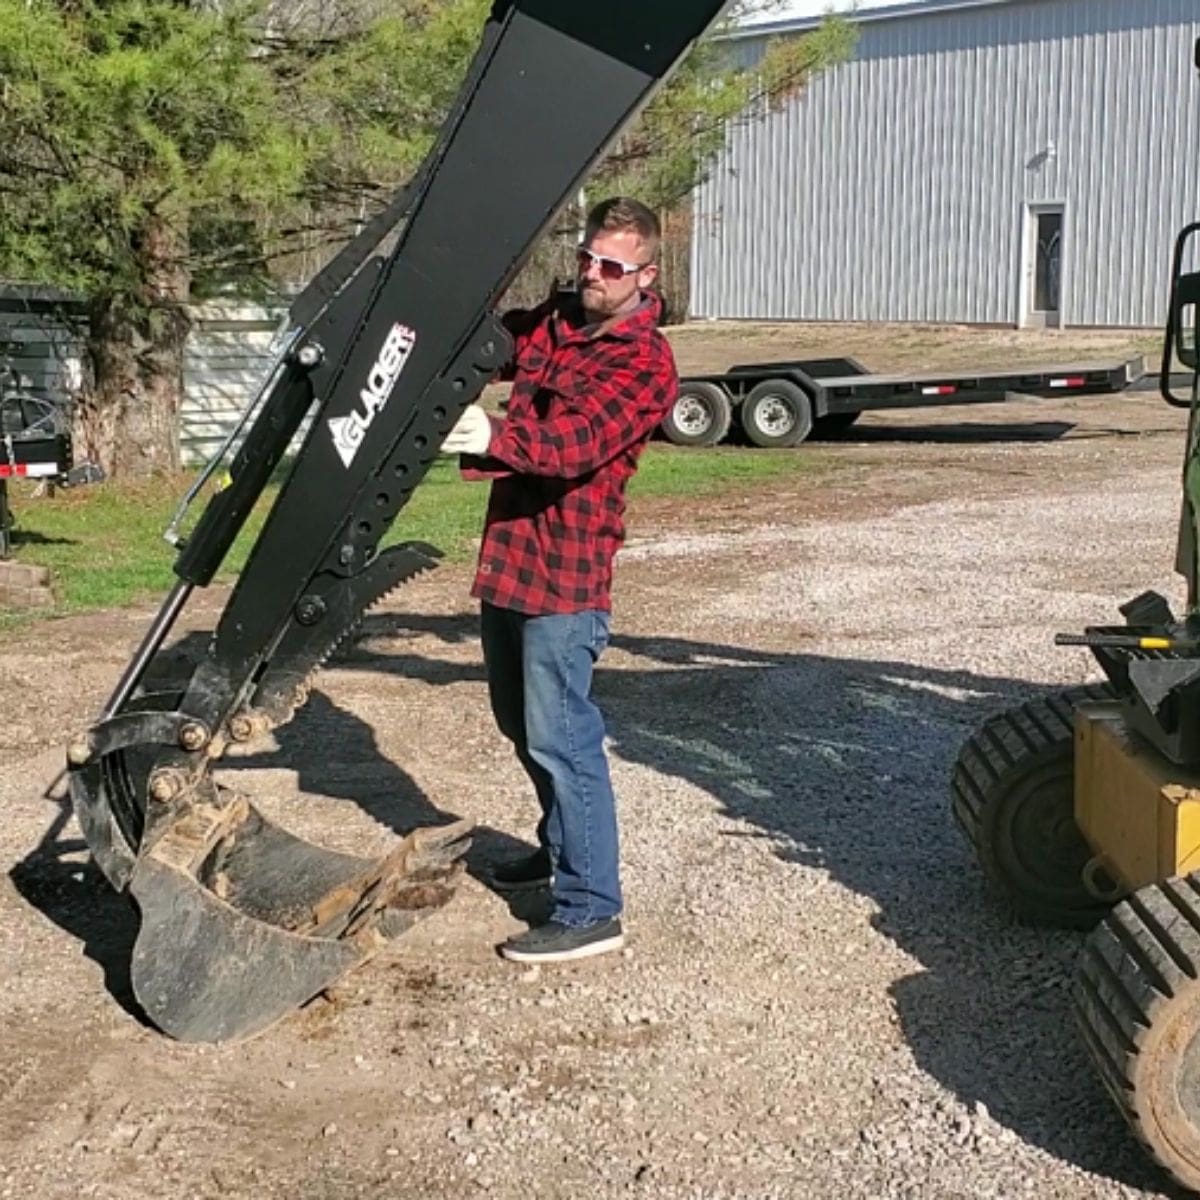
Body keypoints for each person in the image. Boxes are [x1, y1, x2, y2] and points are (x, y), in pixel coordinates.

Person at [439, 196, 678, 963]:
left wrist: (493, 432)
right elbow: (497, 343)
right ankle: (558, 848)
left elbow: (577, 443)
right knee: (521, 726)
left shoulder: (645, 362)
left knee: (563, 739)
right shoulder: (559, 319)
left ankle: (590, 908)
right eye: (586, 259)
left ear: (645, 273)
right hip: (511, 561)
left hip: (567, 581)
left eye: (610, 266)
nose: (592, 276)